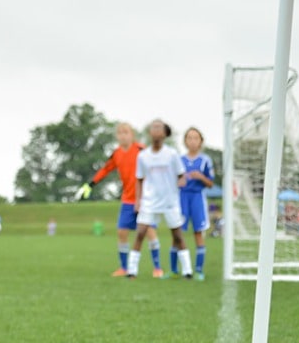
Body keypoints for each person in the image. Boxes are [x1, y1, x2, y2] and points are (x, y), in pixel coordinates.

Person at [76, 122, 163, 278]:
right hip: (127, 200)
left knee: (149, 231)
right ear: (117, 136)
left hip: (145, 199)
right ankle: (124, 267)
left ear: (132, 135)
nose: (123, 135)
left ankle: (157, 268)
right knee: (122, 232)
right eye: (120, 133)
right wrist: (90, 185)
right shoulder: (116, 154)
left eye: (126, 132)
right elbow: (105, 169)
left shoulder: (141, 150)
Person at [128, 120, 192, 279]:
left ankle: (187, 270)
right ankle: (131, 270)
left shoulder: (171, 154)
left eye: (159, 127)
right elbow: (139, 179)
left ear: (164, 133)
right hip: (149, 202)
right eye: (153, 127)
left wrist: (182, 180)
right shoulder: (143, 156)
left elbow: (181, 175)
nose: (155, 130)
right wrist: (138, 200)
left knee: (177, 235)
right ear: (150, 133)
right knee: (140, 233)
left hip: (170, 201)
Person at [173, 127, 214, 281]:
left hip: (197, 198)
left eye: (195, 138)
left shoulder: (205, 161)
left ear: (200, 141)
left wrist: (201, 177)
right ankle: (174, 269)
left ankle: (198, 270)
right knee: (177, 232)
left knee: (198, 232)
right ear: (185, 141)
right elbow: (174, 180)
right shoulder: (179, 160)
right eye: (189, 138)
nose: (192, 141)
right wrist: (179, 181)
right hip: (182, 198)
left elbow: (210, 184)